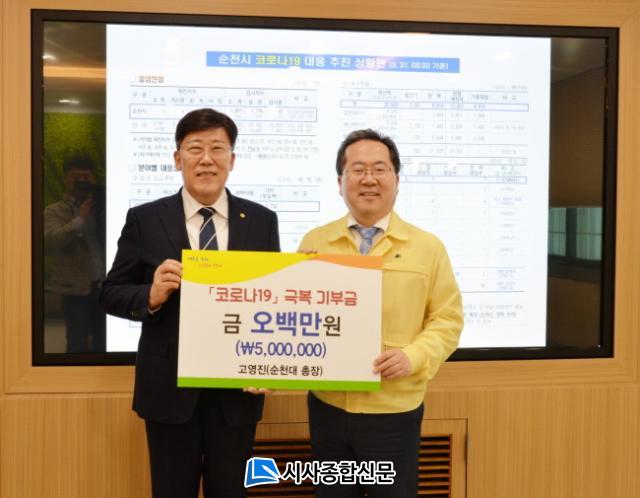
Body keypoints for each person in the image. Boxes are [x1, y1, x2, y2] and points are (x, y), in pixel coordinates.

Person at [100, 108, 280, 498]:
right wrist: (150, 295)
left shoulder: (262, 220)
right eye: (195, 148)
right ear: (177, 158)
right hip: (169, 389)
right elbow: (111, 292)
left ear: (232, 159)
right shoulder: (145, 218)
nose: (206, 159)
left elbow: (270, 300)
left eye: (218, 148)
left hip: (236, 393)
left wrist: (270, 363)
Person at [298, 129, 463, 497]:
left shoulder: (428, 247)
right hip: (328, 408)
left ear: (396, 180)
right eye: (357, 170)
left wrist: (412, 356)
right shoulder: (315, 242)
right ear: (340, 182)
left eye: (379, 169)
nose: (368, 179)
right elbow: (294, 316)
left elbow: (447, 320)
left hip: (394, 411)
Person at [44, 154, 106, 353]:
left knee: (104, 342)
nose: (81, 181)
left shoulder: (101, 207)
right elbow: (52, 239)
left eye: (86, 177)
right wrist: (79, 219)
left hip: (105, 286)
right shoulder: (54, 211)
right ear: (65, 179)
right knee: (77, 343)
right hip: (74, 288)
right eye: (76, 177)